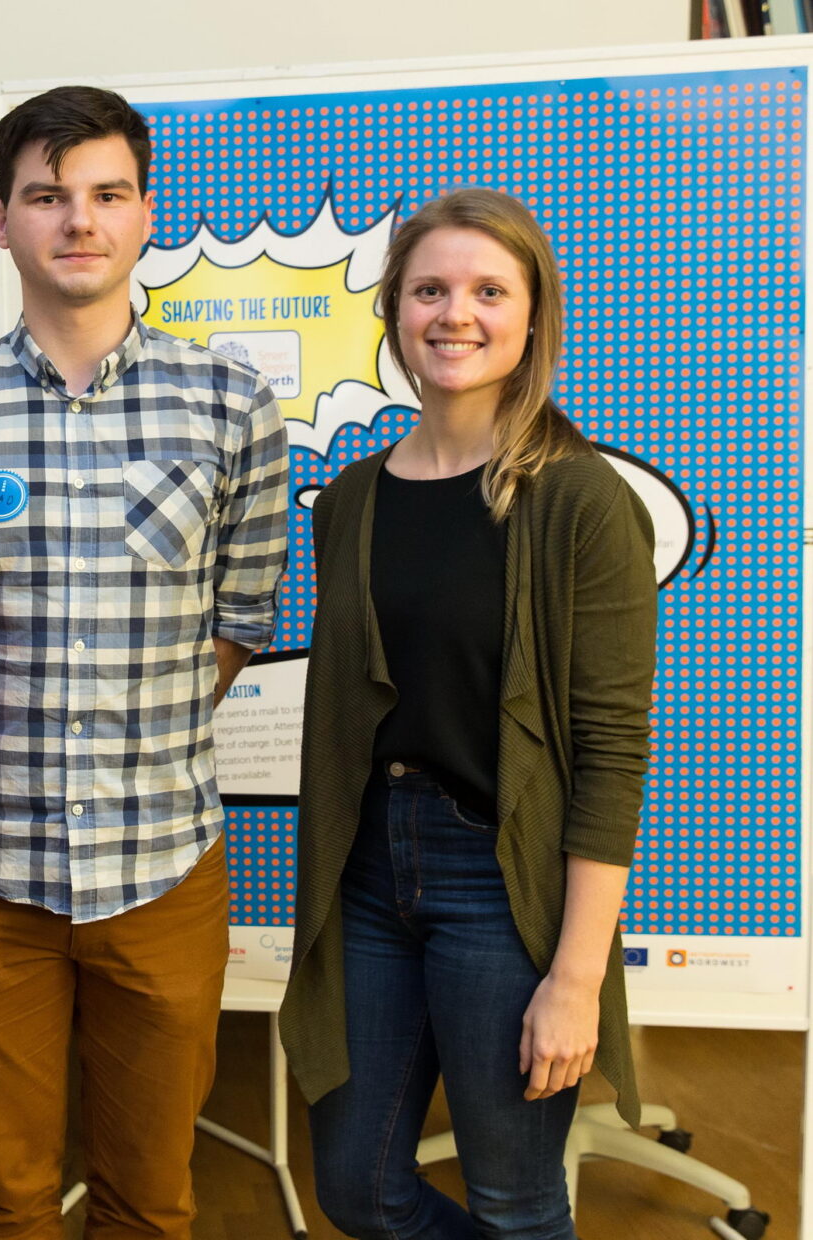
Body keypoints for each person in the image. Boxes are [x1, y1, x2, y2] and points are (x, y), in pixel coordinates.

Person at [0, 85, 289, 1237]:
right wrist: (31, 726)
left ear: (146, 213)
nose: (79, 220)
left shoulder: (233, 406)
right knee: (2, 1200)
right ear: (0, 220)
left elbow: (238, 617)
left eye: (107, 194)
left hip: (161, 866)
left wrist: (116, 719)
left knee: (151, 1197)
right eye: (47, 196)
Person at [281, 187, 658, 1239]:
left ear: (533, 316)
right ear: (395, 311)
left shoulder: (581, 499)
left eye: (491, 290)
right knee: (357, 1188)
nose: (458, 313)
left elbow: (611, 754)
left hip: (499, 881)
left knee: (515, 1199)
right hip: (366, 879)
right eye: (431, 289)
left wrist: (576, 975)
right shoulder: (353, 498)